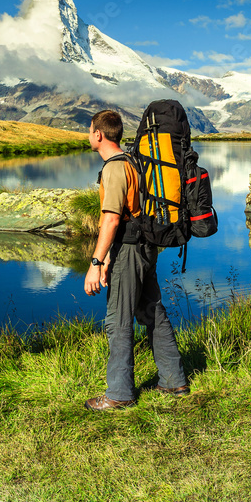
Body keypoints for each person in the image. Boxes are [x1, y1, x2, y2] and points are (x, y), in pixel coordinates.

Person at [83, 110, 189, 410]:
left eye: (90, 130)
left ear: (99, 134)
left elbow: (112, 219)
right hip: (145, 247)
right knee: (151, 311)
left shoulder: (114, 169)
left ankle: (119, 395)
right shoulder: (132, 161)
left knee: (118, 321)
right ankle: (174, 380)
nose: (88, 135)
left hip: (128, 250)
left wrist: (95, 262)